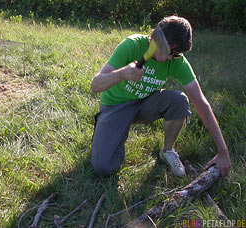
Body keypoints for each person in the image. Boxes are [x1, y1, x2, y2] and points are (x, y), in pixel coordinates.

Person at [90, 15, 231, 177]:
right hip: (115, 106)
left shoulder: (177, 61)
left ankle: (167, 150)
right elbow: (96, 85)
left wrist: (223, 151)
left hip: (145, 104)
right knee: (103, 168)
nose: (171, 57)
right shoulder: (132, 45)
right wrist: (121, 74)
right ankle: (107, 133)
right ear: (156, 39)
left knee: (179, 100)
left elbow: (201, 102)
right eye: (170, 51)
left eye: (176, 53)